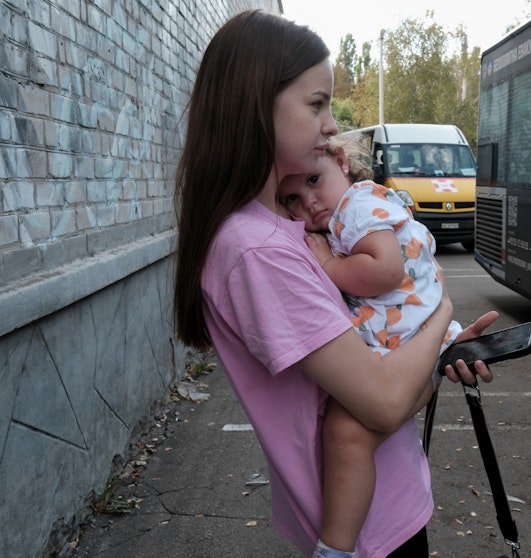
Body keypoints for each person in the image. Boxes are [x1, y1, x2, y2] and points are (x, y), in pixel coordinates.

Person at [171, 10, 499, 558]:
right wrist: (440, 313)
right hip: (366, 536)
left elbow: (384, 385)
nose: (330, 123)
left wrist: (436, 357)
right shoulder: (258, 251)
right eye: (316, 103)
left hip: (385, 510)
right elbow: (381, 402)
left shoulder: (289, 229)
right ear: (258, 104)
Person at [277, 135, 462, 557]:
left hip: (403, 335)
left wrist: (327, 265)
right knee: (348, 435)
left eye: (313, 180)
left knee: (346, 434)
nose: (309, 202)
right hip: (412, 330)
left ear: (342, 162)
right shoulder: (352, 209)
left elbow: (383, 271)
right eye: (291, 196)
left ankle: (336, 549)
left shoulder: (355, 209)